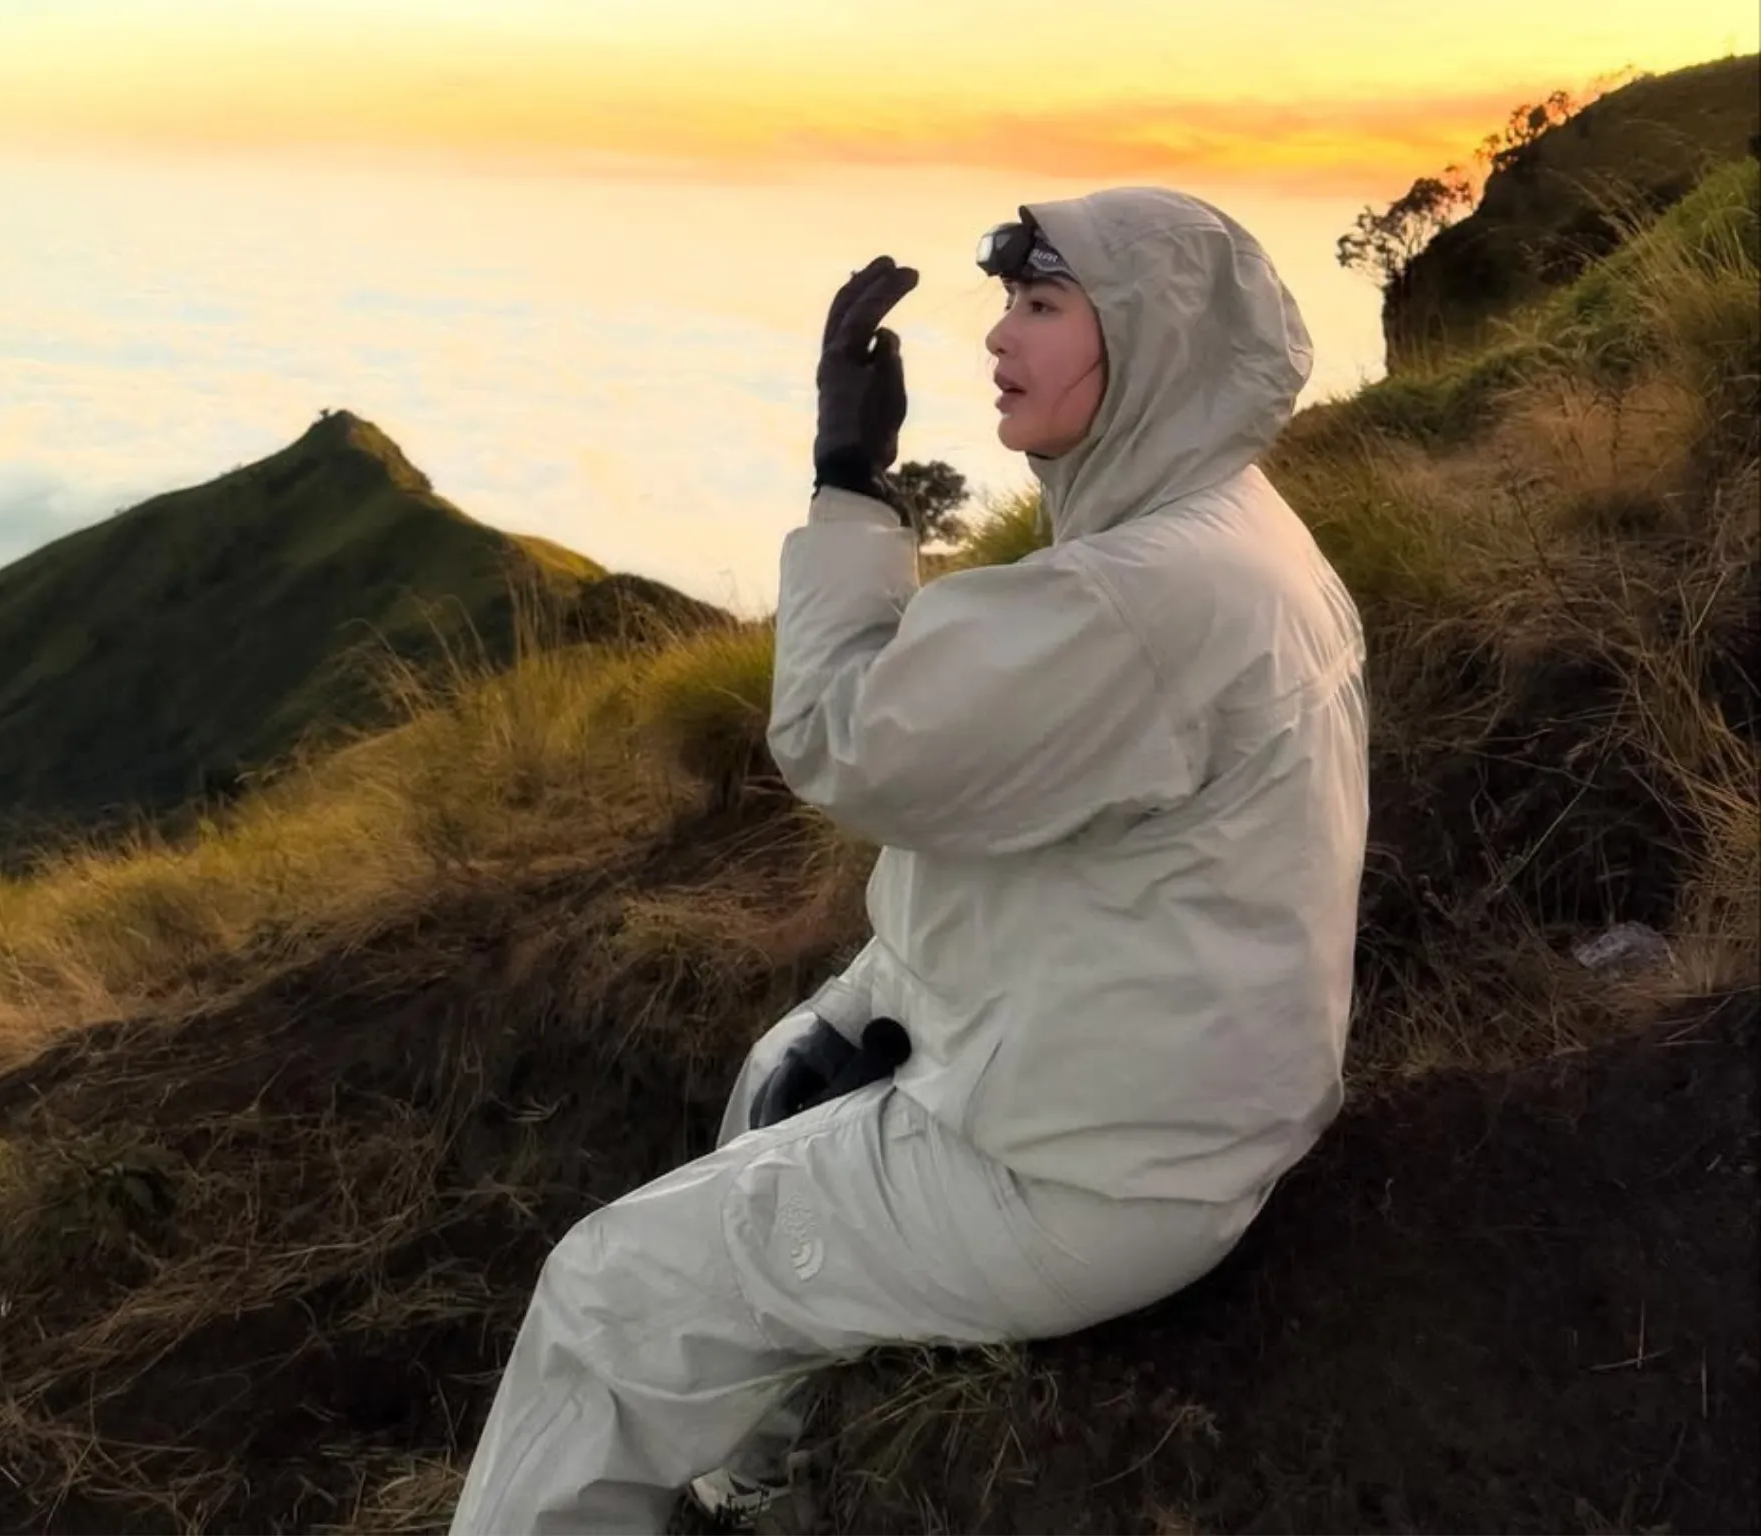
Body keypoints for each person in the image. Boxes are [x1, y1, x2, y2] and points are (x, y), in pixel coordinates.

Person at [445, 186, 1370, 1535]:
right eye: (1008, 301)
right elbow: (1079, 853)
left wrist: (846, 483)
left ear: (1155, 341)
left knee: (600, 1295)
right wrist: (894, 1000)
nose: (1000, 339)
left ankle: (731, 1462)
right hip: (1172, 1086)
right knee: (782, 1067)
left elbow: (844, 742)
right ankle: (763, 1476)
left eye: (1044, 307)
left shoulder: (1139, 595)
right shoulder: (1234, 530)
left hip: (1085, 1169)